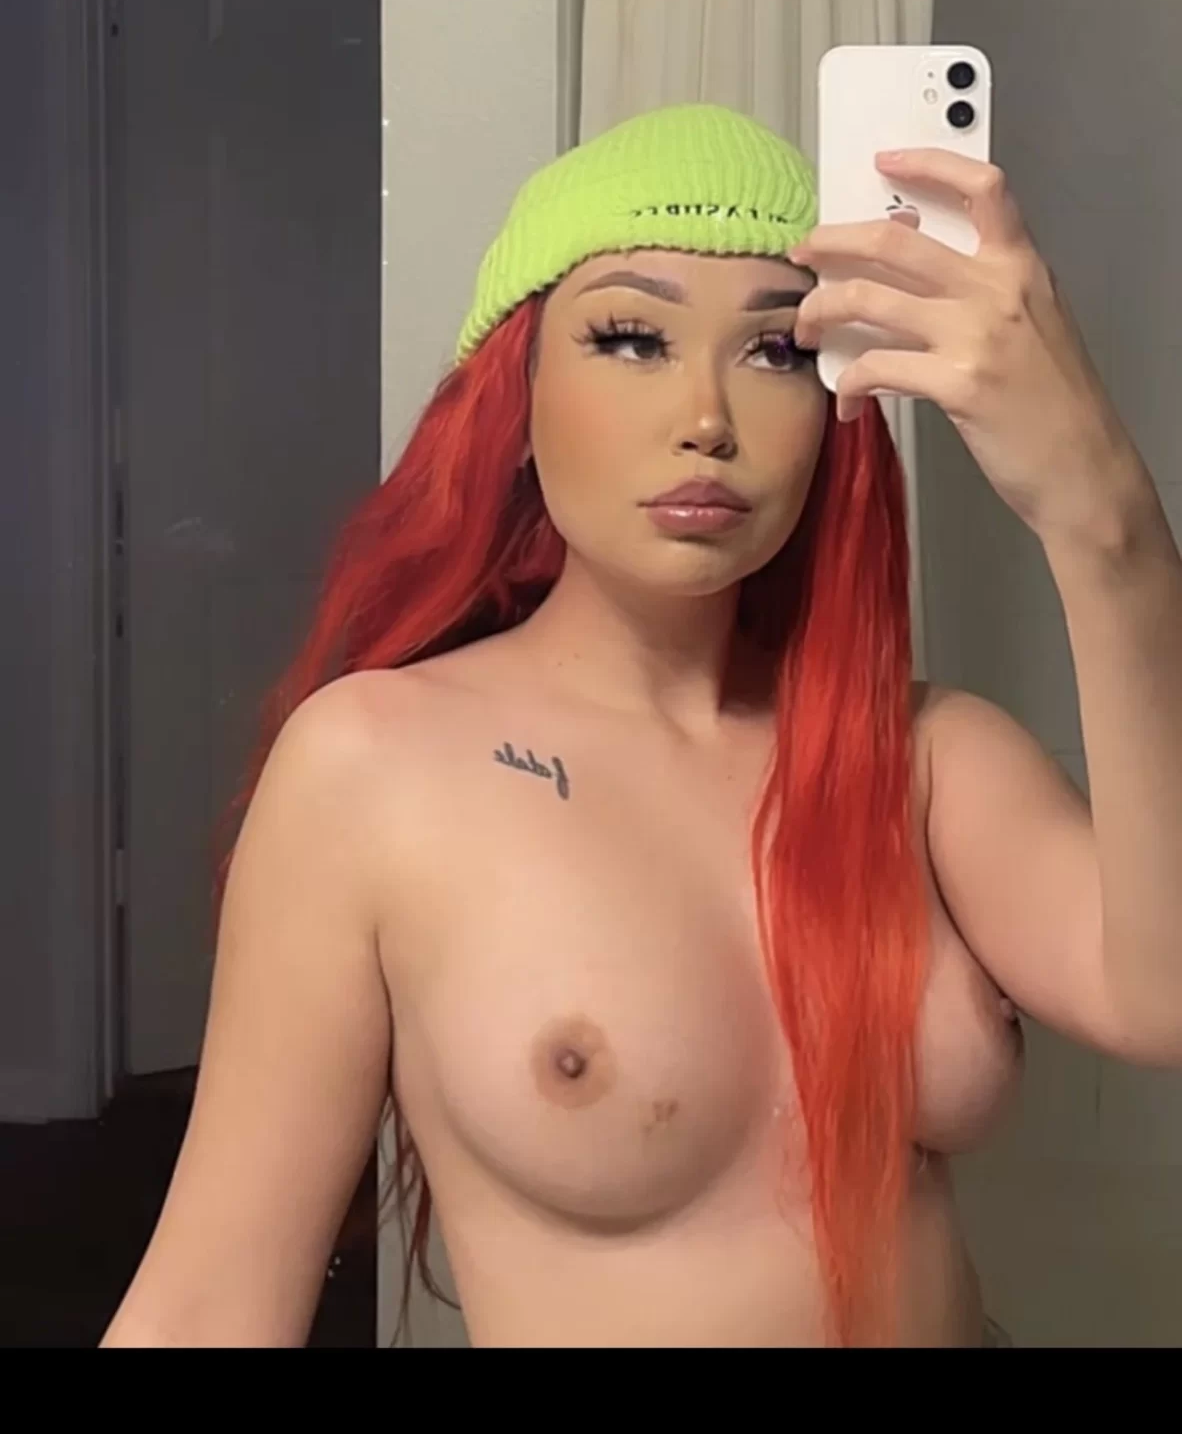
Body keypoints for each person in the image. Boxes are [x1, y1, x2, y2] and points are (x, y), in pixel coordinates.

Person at [99, 104, 1182, 1350]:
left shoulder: (929, 758)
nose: (707, 416)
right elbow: (211, 1303)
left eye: (777, 350)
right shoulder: (374, 768)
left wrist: (1104, 517)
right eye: (631, 337)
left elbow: (1161, 999)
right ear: (512, 398)